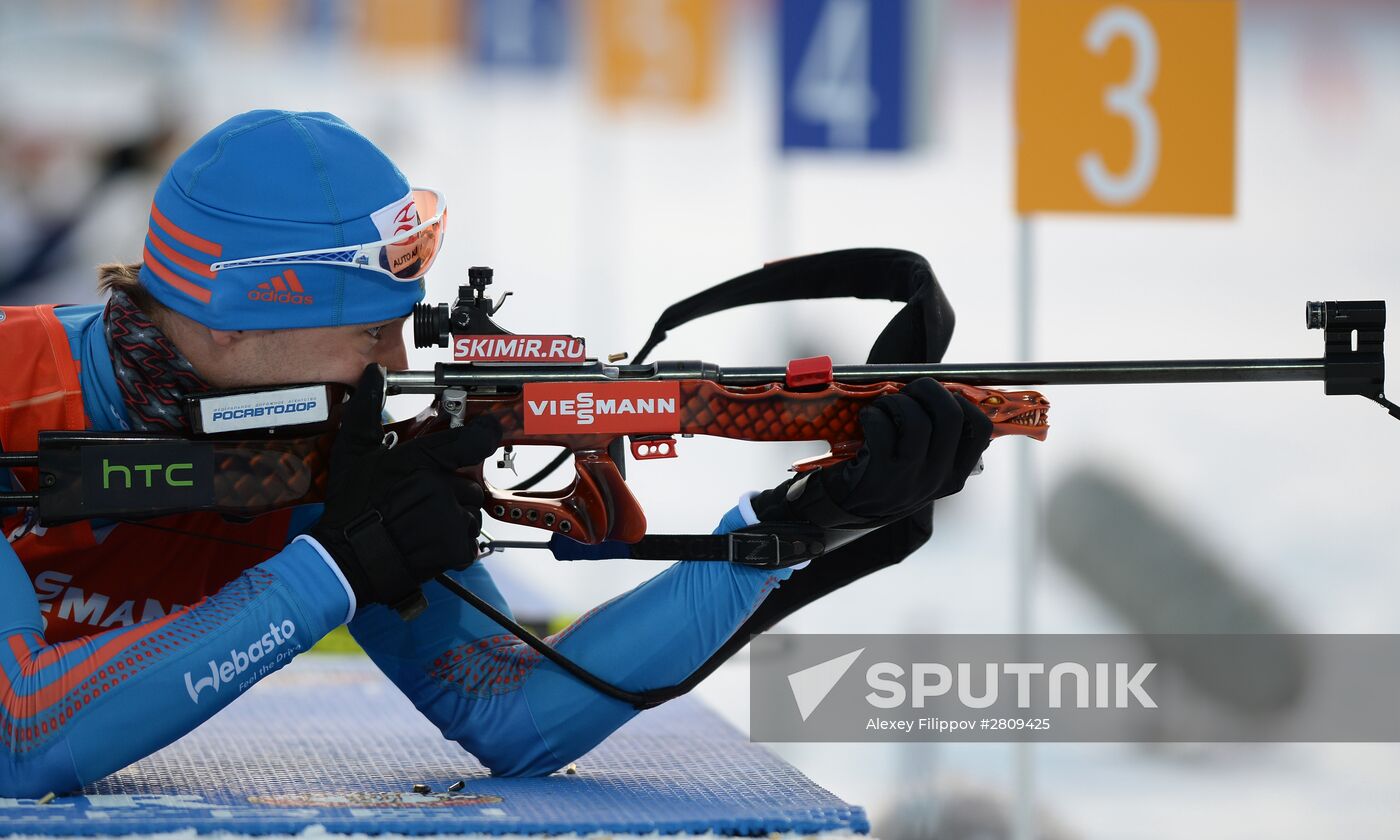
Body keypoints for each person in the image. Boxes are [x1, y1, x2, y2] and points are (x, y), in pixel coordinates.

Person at [0, 110, 991, 798]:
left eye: (405, 325)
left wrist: (790, 529)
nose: (400, 366)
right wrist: (334, 570)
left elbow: (515, 716)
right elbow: (22, 738)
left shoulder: (315, 444)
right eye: (369, 335)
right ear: (229, 321)